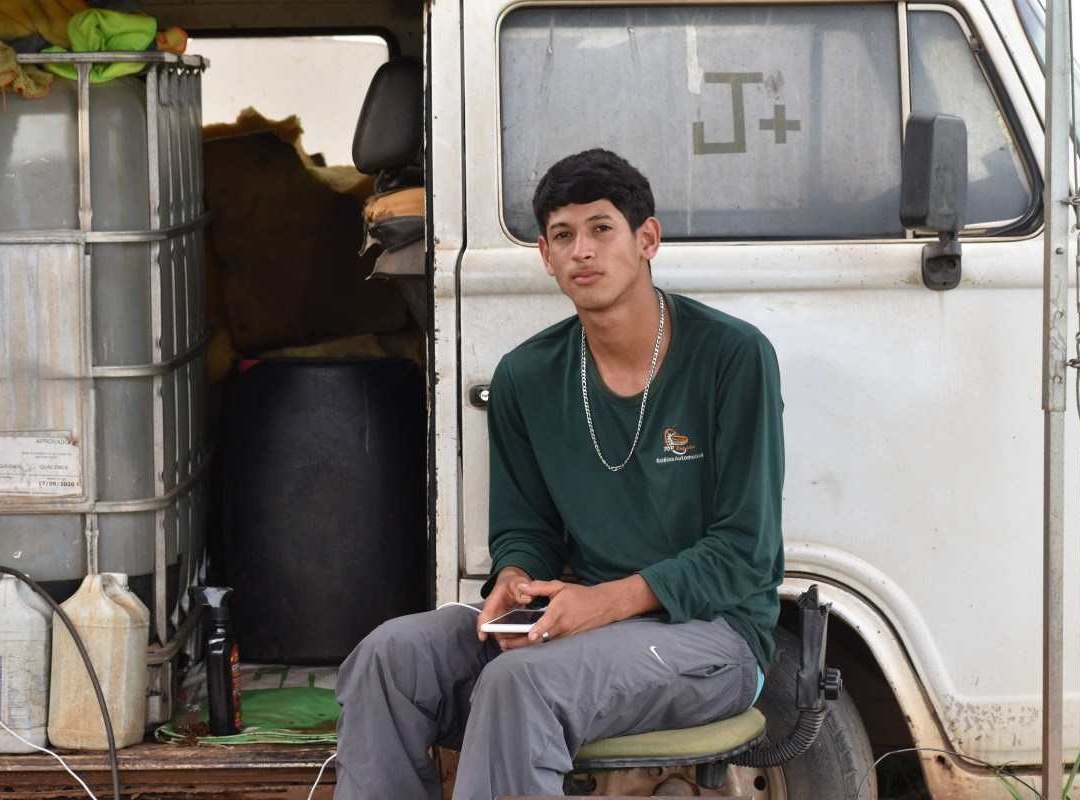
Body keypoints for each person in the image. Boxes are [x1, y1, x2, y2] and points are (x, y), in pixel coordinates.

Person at [334, 148, 785, 800]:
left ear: (647, 239)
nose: (583, 251)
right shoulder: (526, 377)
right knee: (390, 655)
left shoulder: (732, 357)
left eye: (602, 229)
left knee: (519, 684)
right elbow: (524, 530)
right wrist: (515, 579)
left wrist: (603, 603)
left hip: (712, 637)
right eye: (563, 236)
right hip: (573, 627)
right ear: (545, 255)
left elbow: (745, 554)